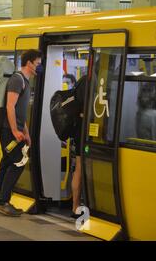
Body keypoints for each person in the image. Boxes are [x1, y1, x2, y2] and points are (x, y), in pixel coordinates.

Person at [0, 50, 42, 217]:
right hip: (9, 131)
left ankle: (1, 200)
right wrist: (15, 130)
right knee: (18, 163)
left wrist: (26, 132)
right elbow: (10, 106)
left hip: (15, 130)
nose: (39, 66)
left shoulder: (26, 81)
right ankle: (3, 201)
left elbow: (21, 112)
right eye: (38, 63)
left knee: (7, 163)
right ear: (29, 63)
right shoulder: (17, 79)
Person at [70, 75, 86, 218]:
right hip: (88, 130)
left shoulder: (83, 81)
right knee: (82, 167)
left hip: (79, 129)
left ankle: (75, 206)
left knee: (79, 168)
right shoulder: (102, 81)